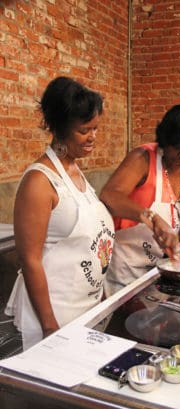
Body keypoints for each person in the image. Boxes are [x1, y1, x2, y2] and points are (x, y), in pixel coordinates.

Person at [5, 76, 114, 350]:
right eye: (85, 130)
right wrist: (50, 326)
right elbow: (29, 259)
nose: (93, 138)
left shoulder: (75, 171)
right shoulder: (39, 182)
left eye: (96, 129)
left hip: (84, 307)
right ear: (61, 128)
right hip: (55, 314)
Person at [100, 103, 180, 296]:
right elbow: (109, 196)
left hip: (167, 274)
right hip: (128, 274)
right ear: (166, 139)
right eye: (178, 147)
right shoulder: (143, 158)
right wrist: (152, 218)